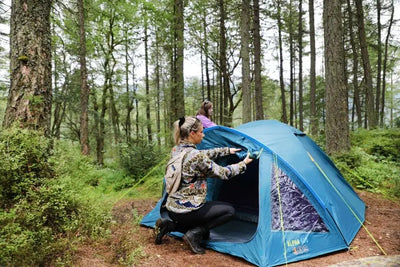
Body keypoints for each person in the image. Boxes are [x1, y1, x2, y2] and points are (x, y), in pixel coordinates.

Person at [154, 116, 253, 254]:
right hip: (188, 211)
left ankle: (169, 225)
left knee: (193, 215)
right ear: (192, 134)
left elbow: (201, 154)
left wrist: (226, 151)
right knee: (229, 211)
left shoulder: (176, 150)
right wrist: (244, 163)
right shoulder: (196, 156)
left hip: (172, 209)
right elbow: (224, 173)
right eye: (201, 132)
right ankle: (195, 233)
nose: (204, 134)